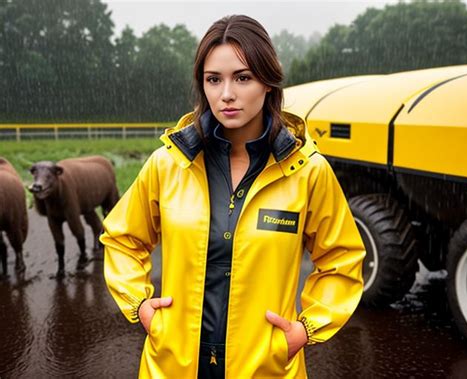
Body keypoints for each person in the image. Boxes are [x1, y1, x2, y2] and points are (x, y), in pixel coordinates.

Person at [100, 14, 365, 379]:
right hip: (171, 366)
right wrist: (143, 307)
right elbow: (121, 240)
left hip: (266, 368)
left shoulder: (308, 172)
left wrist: (303, 331)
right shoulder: (167, 165)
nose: (226, 94)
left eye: (243, 77)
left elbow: (342, 259)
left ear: (268, 82)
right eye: (213, 80)